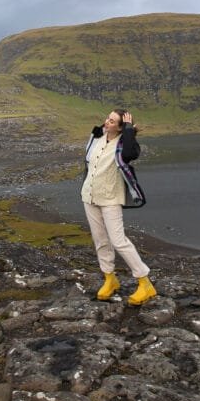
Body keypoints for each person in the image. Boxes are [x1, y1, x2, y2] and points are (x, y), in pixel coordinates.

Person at [81, 108, 156, 306]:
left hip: (110, 198)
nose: (107, 122)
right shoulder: (97, 137)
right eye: (108, 118)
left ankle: (144, 282)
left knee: (118, 240)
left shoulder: (125, 143)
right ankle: (110, 279)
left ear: (122, 127)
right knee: (100, 240)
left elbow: (132, 153)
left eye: (113, 121)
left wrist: (130, 129)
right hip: (89, 195)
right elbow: (88, 163)